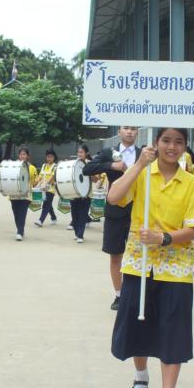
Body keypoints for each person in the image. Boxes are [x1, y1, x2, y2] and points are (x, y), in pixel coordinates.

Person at [107, 127, 194, 388]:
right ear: (156, 143)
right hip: (139, 265)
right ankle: (141, 377)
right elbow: (113, 197)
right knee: (138, 326)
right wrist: (139, 164)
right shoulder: (142, 175)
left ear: (185, 147)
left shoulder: (191, 183)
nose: (171, 147)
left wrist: (163, 238)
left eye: (178, 142)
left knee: (173, 330)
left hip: (175, 268)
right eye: (166, 140)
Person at [83, 126, 141, 311]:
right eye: (126, 128)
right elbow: (87, 168)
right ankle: (119, 294)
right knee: (115, 254)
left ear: (138, 132)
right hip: (115, 211)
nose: (129, 132)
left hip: (138, 212)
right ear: (119, 132)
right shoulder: (109, 152)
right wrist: (111, 165)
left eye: (133, 129)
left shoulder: (144, 154)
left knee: (139, 254)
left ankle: (138, 293)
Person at [10, 147, 38, 241]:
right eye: (21, 154)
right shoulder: (14, 166)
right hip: (14, 194)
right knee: (16, 213)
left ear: (27, 156)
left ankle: (20, 232)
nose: (22, 156)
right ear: (19, 155)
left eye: (24, 154)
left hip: (26, 194)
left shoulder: (32, 168)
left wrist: (36, 182)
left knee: (22, 213)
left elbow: (35, 181)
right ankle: (20, 229)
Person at [70, 144, 95, 243]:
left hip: (86, 194)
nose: (79, 154)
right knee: (74, 215)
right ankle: (77, 233)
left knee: (83, 215)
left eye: (81, 152)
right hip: (74, 193)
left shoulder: (90, 164)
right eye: (78, 152)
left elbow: (96, 178)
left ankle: (80, 235)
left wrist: (90, 175)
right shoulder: (74, 163)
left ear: (86, 153)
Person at [34, 149, 58, 227]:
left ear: (54, 157)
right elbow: (40, 176)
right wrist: (36, 182)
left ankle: (40, 221)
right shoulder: (44, 166)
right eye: (48, 157)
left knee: (46, 204)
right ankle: (54, 218)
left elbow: (53, 176)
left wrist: (46, 183)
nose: (49, 158)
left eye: (51, 157)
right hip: (42, 188)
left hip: (50, 189)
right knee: (48, 204)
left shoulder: (55, 166)